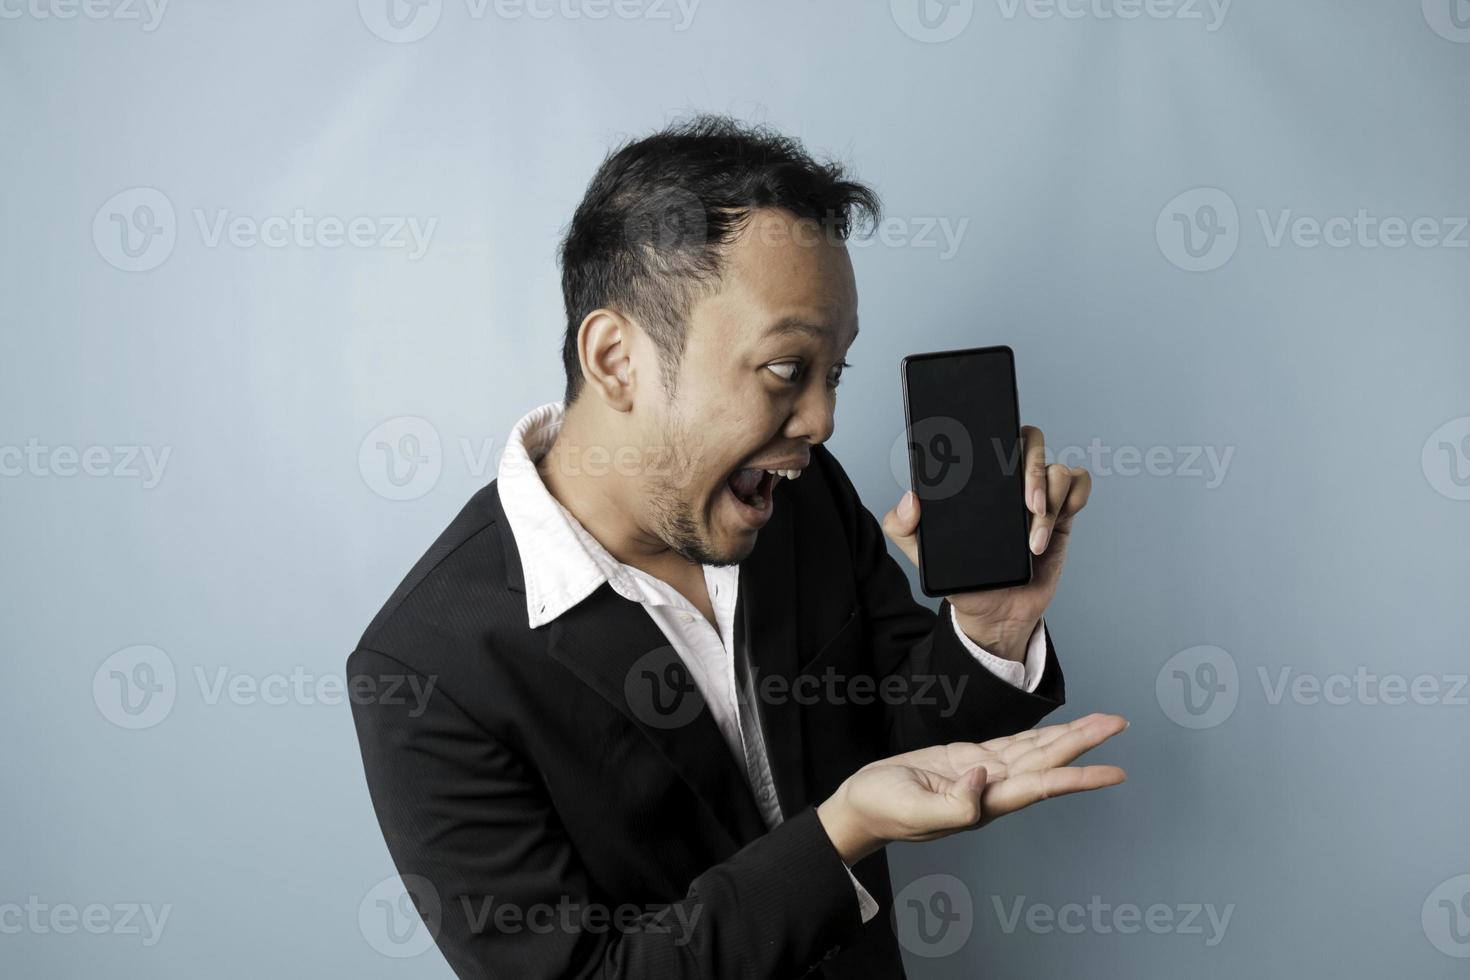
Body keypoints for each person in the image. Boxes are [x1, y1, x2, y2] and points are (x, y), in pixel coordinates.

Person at [348, 114, 1127, 979]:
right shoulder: (424, 669)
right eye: (789, 370)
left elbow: (910, 732)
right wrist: (842, 835)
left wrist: (989, 624)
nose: (824, 421)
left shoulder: (799, 497)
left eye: (838, 373)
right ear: (617, 359)